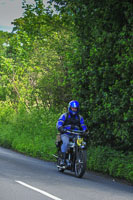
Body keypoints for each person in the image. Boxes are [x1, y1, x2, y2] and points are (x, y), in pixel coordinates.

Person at [56, 100, 88, 166]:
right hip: (66, 133)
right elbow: (59, 123)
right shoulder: (65, 115)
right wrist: (61, 128)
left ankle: (79, 157)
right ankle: (63, 159)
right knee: (66, 142)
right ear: (70, 108)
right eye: (73, 108)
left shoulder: (80, 117)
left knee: (81, 143)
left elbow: (83, 125)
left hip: (76, 134)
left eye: (75, 108)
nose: (74, 110)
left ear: (77, 109)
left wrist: (85, 131)